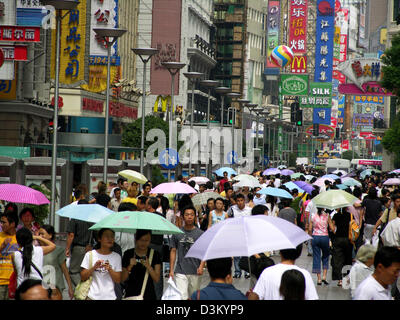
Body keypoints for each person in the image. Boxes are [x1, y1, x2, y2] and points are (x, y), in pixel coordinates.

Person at [248, 244, 318, 300]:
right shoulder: (305, 274)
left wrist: (250, 294)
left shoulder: (267, 272)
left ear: (280, 252)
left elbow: (255, 297)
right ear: (299, 254)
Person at [169, 206, 205, 300]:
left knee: (194, 297)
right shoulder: (177, 233)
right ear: (182, 217)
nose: (189, 217)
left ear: (195, 217)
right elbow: (173, 250)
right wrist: (171, 270)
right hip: (180, 270)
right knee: (182, 296)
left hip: (195, 270)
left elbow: (204, 251)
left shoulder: (200, 233)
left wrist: (201, 266)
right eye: (187, 214)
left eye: (192, 215)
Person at [80, 228, 122, 300]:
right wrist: (94, 267)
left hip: (110, 297)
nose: (110, 239)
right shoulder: (90, 255)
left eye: (112, 236)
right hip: (92, 296)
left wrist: (109, 269)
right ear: (99, 239)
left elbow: (118, 279)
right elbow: (83, 277)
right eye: (107, 236)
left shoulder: (116, 257)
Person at [121, 230, 161, 300]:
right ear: (136, 239)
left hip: (149, 294)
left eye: (146, 240)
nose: (143, 243)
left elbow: (156, 279)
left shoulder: (155, 254)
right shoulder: (128, 253)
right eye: (141, 240)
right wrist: (129, 266)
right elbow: (122, 278)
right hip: (131, 294)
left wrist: (148, 266)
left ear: (150, 240)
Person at [37, 224, 74, 300]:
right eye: (39, 234)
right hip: (40, 288)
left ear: (50, 235)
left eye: (42, 234)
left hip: (55, 288)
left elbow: (65, 270)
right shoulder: (36, 250)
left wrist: (70, 287)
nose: (40, 236)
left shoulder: (58, 250)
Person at [65, 199, 95, 288]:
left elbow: (71, 235)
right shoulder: (92, 219)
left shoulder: (75, 219)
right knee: (86, 270)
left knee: (73, 271)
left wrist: (67, 248)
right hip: (90, 248)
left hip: (78, 248)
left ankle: (82, 289)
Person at [227, 194, 251, 279]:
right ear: (236, 201)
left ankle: (247, 271)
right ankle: (237, 272)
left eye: (241, 200)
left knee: (246, 254)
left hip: (246, 234)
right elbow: (228, 219)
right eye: (238, 201)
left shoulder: (249, 210)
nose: (240, 202)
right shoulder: (232, 209)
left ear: (244, 200)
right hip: (235, 234)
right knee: (237, 255)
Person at [309, 207, 335, 285]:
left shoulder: (313, 216)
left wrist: (311, 237)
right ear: (323, 208)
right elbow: (332, 228)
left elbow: (310, 229)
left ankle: (319, 279)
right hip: (325, 237)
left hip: (315, 237)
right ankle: (324, 276)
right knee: (326, 257)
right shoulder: (327, 215)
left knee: (316, 257)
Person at [331, 208, 353, 287]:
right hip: (348, 240)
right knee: (347, 259)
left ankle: (340, 280)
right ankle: (347, 278)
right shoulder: (350, 216)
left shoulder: (336, 216)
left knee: (338, 259)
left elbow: (333, 229)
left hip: (338, 239)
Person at [0, 211, 19, 300]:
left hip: (16, 281)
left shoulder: (20, 238)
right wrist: (2, 246)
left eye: (4, 222)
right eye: (1, 222)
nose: (1, 225)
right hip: (1, 281)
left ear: (12, 224)